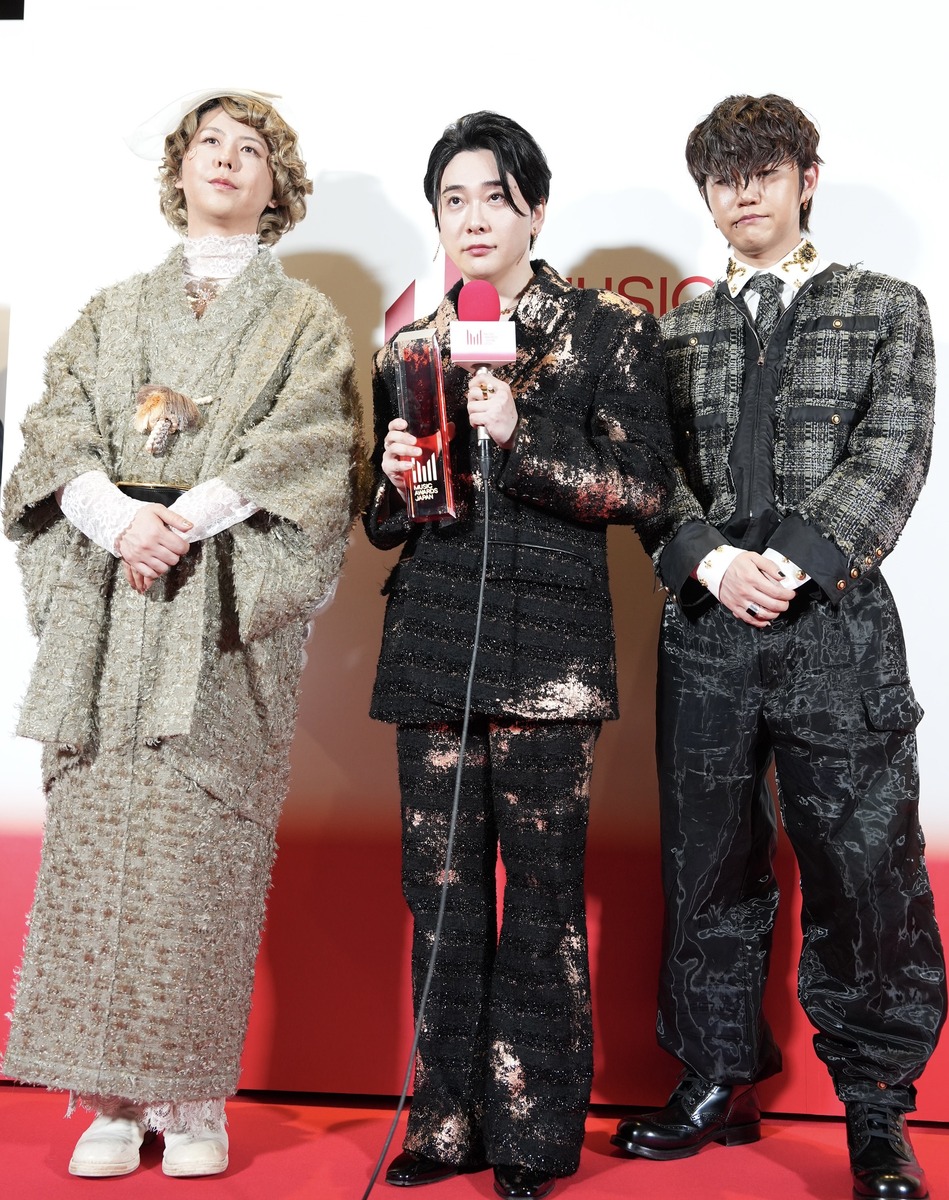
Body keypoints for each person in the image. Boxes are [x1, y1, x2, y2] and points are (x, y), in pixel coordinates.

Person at [1, 88, 366, 1179]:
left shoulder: (303, 322)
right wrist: (118, 521)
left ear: (276, 183)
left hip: (216, 603)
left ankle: (195, 1098)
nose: (226, 159)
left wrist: (183, 521)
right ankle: (109, 1099)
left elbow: (308, 447)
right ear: (177, 167)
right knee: (100, 840)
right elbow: (54, 431)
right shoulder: (112, 312)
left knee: (201, 850)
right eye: (209, 142)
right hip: (110, 603)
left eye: (251, 148)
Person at [611, 94, 946, 1199]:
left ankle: (877, 1106)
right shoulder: (675, 332)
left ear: (806, 177)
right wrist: (711, 562)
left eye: (762, 170)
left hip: (836, 625)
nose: (742, 192)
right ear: (705, 195)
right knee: (706, 861)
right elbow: (650, 475)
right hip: (707, 629)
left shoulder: (884, 306)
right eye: (722, 176)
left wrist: (792, 560)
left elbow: (893, 448)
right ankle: (713, 1075)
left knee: (865, 868)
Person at [364, 110, 672, 1200]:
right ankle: (444, 1123)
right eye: (453, 200)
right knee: (441, 897)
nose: (474, 218)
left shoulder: (605, 330)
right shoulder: (409, 342)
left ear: (535, 209)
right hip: (432, 645)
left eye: (495, 196)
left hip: (550, 655)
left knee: (542, 901)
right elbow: (385, 522)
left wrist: (519, 436)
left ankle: (535, 1136)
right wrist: (396, 479)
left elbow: (643, 488)